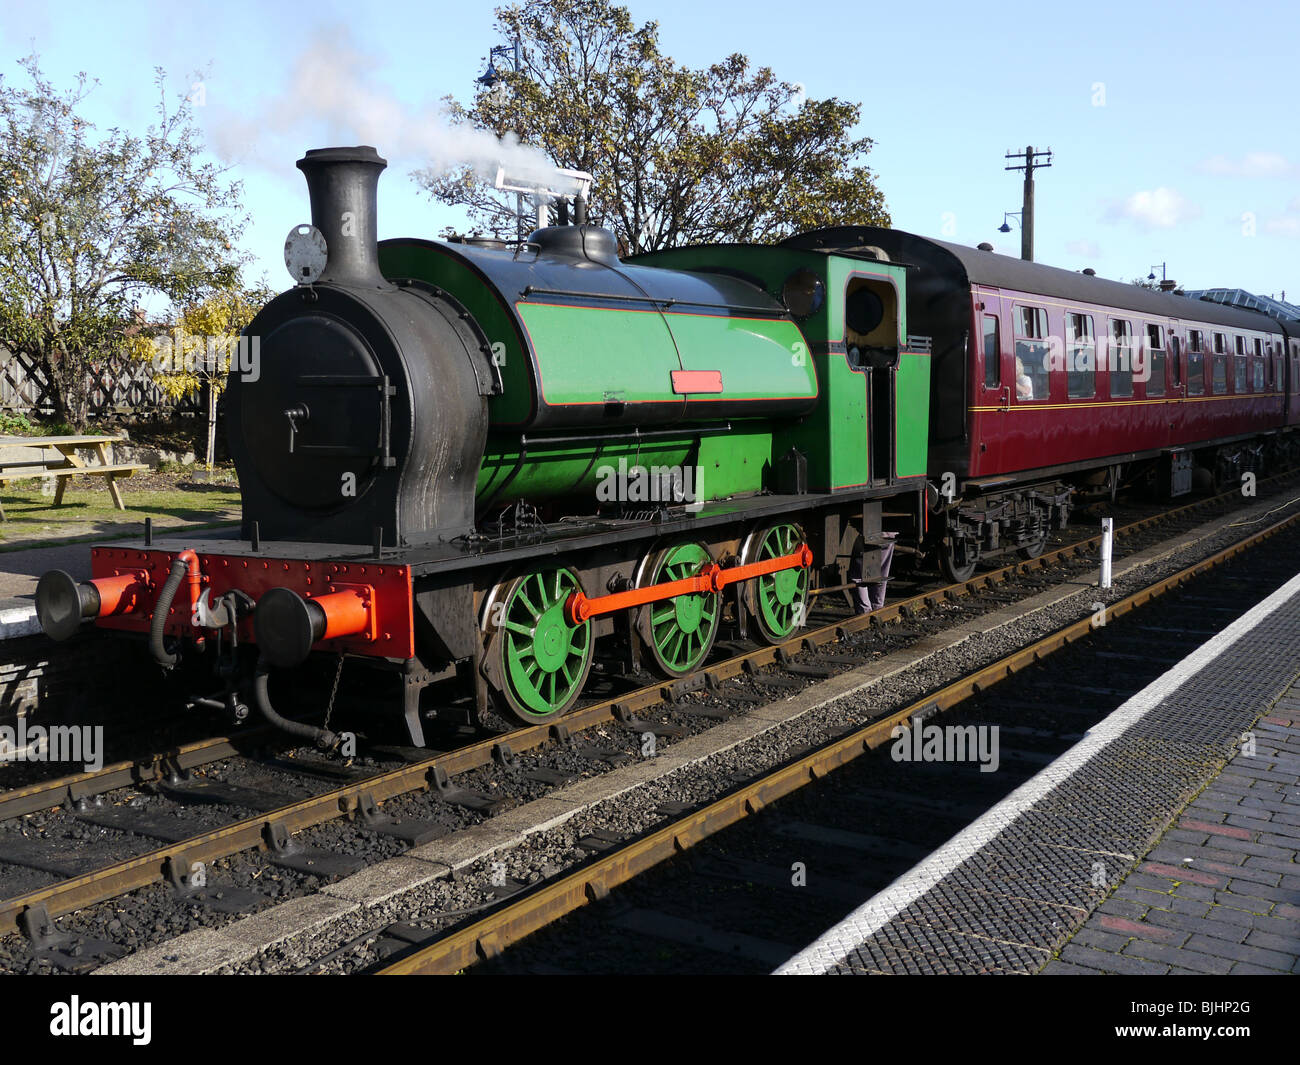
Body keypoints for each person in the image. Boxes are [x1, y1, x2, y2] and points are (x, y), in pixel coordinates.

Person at [849, 532, 897, 614]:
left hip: (870, 531)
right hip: (889, 533)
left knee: (859, 575)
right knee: (882, 572)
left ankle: (865, 612)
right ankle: (877, 609)